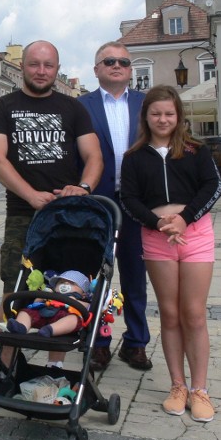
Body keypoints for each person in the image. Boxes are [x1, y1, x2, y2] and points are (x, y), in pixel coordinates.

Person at [0, 40, 103, 368]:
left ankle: (55, 368)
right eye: (35, 64)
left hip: (66, 215)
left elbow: (94, 156)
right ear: (23, 66)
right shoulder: (2, 107)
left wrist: (83, 187)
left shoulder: (73, 108)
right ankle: (5, 364)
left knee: (67, 287)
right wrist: (31, 196)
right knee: (14, 287)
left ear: (56, 69)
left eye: (48, 65)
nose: (41, 71)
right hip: (24, 214)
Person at [120, 85, 221, 422]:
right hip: (156, 238)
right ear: (146, 117)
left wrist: (184, 218)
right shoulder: (134, 157)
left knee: (194, 313)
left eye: (169, 113)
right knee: (170, 314)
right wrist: (158, 222)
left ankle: (200, 389)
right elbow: (130, 199)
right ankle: (177, 385)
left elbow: (213, 186)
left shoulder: (196, 151)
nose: (163, 119)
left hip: (195, 235)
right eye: (156, 113)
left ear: (178, 116)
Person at [78, 41, 151, 372]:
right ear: (97, 70)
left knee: (136, 275)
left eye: (123, 61)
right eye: (109, 61)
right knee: (97, 276)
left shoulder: (147, 104)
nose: (117, 65)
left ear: (130, 69)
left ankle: (136, 343)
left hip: (138, 204)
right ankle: (99, 342)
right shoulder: (81, 107)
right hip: (99, 203)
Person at [5, 271, 92, 337]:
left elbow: (88, 308)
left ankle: (50, 330)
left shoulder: (80, 299)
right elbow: (35, 304)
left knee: (74, 319)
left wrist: (75, 302)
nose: (65, 284)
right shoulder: (50, 293)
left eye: (72, 283)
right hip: (41, 314)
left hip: (64, 316)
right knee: (25, 312)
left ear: (83, 294)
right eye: (61, 282)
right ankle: (21, 327)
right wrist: (42, 297)